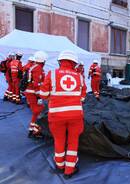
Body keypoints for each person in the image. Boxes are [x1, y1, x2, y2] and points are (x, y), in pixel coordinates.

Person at [40, 50, 86, 179]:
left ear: (60, 61)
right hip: (75, 115)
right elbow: (82, 97)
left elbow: (43, 95)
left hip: (56, 116)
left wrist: (53, 98)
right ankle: (69, 170)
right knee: (73, 141)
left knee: (59, 140)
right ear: (74, 63)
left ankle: (60, 166)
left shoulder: (52, 74)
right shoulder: (80, 77)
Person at [25, 51, 47, 138]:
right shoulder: (38, 69)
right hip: (33, 94)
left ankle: (32, 129)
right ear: (43, 61)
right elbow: (36, 84)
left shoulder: (34, 67)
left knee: (37, 111)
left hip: (31, 93)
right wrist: (39, 96)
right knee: (38, 111)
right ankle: (34, 131)